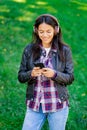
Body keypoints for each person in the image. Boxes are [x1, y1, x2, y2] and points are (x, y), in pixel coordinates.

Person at [18, 14, 74, 130]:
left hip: (57, 104)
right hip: (35, 105)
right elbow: (21, 76)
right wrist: (31, 74)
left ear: (56, 30)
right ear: (36, 30)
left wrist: (54, 75)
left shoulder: (65, 50)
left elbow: (70, 77)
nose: (45, 35)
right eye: (41, 31)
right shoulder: (29, 49)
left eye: (48, 31)